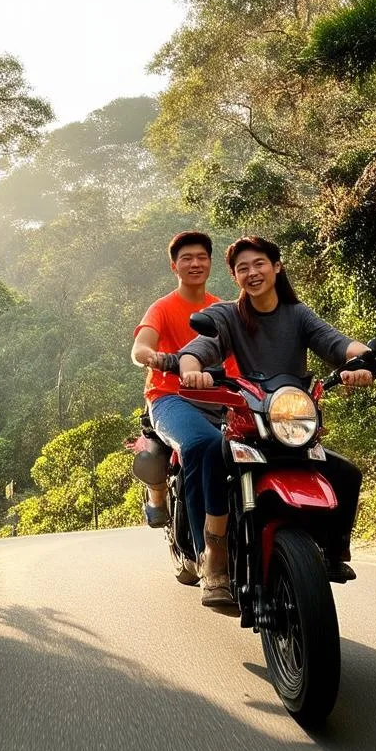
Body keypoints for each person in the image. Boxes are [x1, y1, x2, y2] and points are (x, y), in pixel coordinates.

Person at [178, 235, 373, 601]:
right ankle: (215, 556)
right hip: (246, 424)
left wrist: (363, 361)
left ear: (277, 267)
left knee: (347, 473)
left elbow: (336, 343)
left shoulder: (297, 314)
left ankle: (333, 550)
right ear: (235, 277)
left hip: (291, 425)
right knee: (212, 459)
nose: (252, 273)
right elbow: (198, 349)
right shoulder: (228, 316)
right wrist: (193, 370)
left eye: (259, 264)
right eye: (242, 268)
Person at [131, 231, 237, 555]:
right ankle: (203, 553)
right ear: (174, 266)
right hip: (169, 398)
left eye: (201, 257)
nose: (195, 264)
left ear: (210, 263)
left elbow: (237, 363)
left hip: (220, 398)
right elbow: (141, 347)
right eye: (187, 259)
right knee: (202, 444)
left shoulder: (222, 309)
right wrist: (154, 357)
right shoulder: (162, 308)